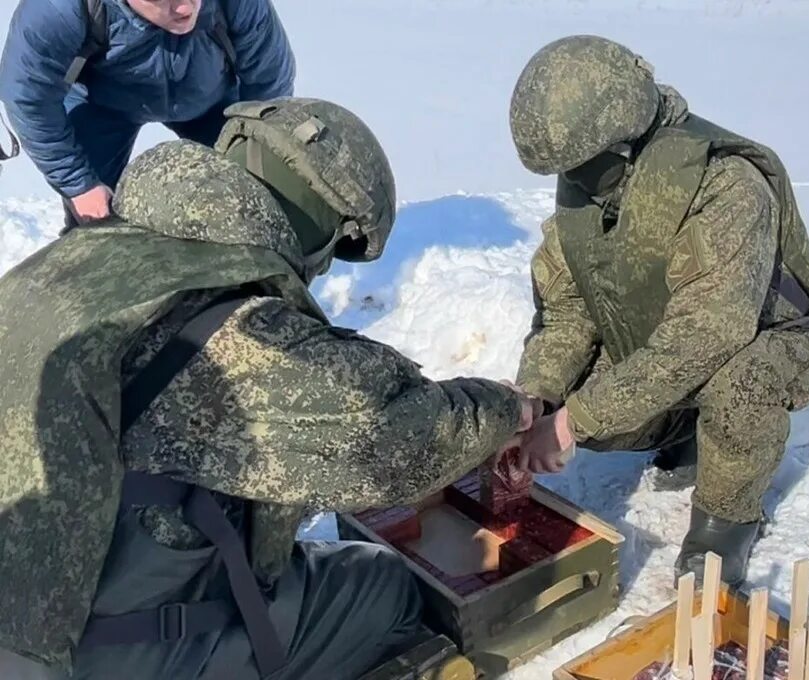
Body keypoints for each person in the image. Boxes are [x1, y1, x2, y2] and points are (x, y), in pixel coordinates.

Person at [0, 97, 539, 680]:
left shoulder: (90, 258)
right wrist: (510, 409)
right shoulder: (225, 329)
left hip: (34, 607)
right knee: (379, 586)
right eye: (336, 246)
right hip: (82, 654)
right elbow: (391, 443)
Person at [508, 35, 809, 587]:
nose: (573, 181)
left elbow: (709, 333)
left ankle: (726, 524)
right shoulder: (592, 181)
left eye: (581, 165)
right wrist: (535, 398)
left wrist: (571, 424)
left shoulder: (726, 184)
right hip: (665, 334)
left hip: (761, 340)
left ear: (620, 138)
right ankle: (684, 431)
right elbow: (568, 309)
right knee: (572, 389)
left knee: (740, 386)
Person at [0, 0, 295, 229]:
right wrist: (79, 184)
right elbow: (28, 97)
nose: (183, 7)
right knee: (93, 217)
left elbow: (269, 85)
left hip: (209, 100)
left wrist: (259, 157)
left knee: (254, 194)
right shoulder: (59, 8)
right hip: (103, 104)